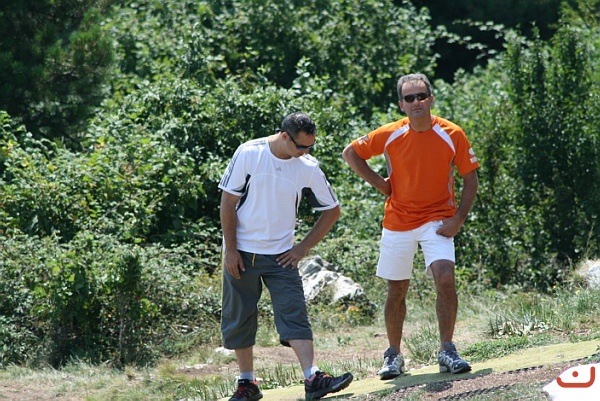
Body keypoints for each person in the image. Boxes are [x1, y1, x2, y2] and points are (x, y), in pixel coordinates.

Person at [342, 73, 479, 379]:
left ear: (431, 99)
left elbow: (471, 179)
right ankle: (393, 355)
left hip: (438, 219)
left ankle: (447, 350)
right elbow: (351, 153)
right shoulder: (391, 133)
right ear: (401, 104)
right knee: (397, 289)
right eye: (409, 98)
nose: (416, 102)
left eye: (421, 96)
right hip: (398, 221)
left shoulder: (452, 133)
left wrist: (458, 218)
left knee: (445, 278)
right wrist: (382, 185)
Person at [219, 112, 354, 401]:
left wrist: (302, 248)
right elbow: (228, 202)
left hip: (282, 256)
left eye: (310, 146)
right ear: (284, 136)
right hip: (242, 251)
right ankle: (247, 383)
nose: (305, 152)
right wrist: (231, 250)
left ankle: (313, 378)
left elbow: (332, 210)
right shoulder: (250, 153)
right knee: (240, 317)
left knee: (295, 313)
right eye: (301, 146)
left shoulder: (307, 166)